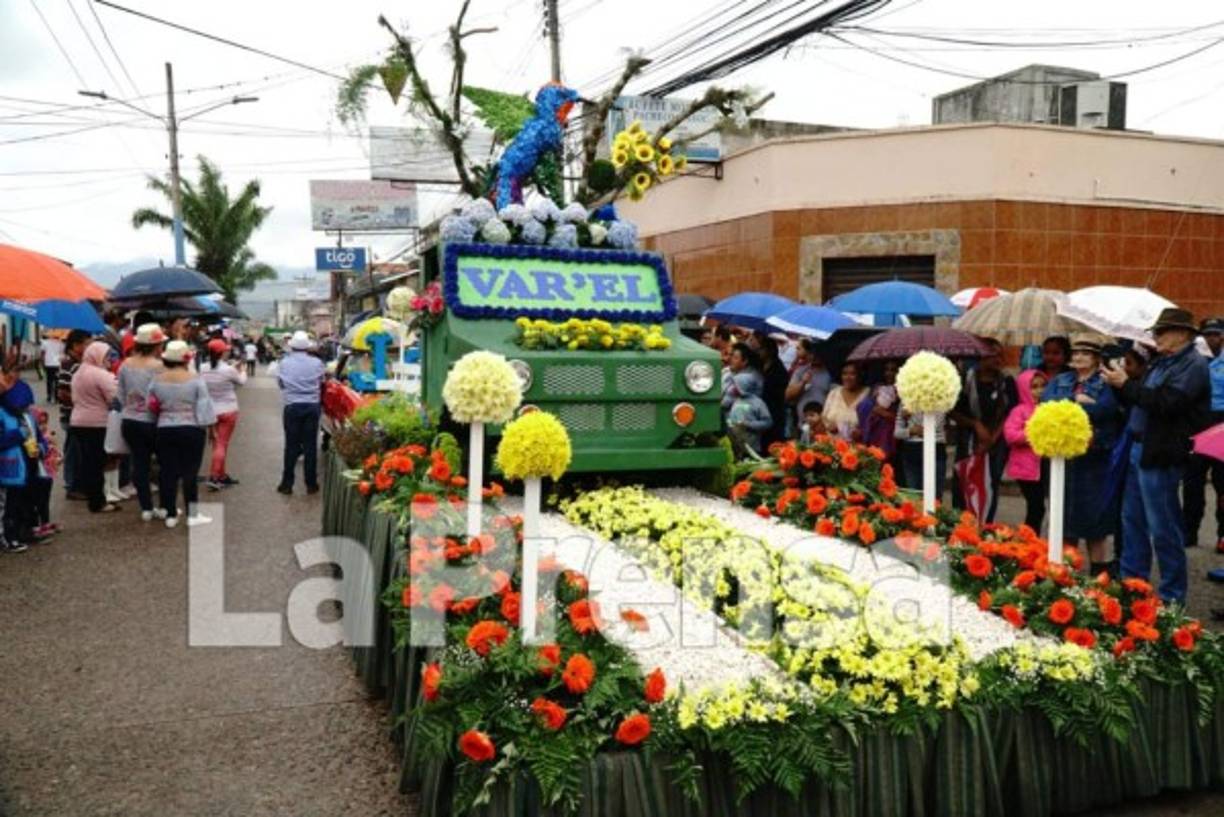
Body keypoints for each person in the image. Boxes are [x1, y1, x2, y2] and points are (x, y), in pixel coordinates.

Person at [1102, 308, 1211, 604]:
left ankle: (1172, 597)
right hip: (1140, 447)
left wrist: (1126, 384)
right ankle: (1132, 587)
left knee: (1163, 527)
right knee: (1133, 521)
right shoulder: (1161, 362)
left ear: (1183, 334)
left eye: (1162, 331)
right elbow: (1141, 400)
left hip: (1162, 453)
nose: (1156, 336)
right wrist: (1120, 383)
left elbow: (1167, 403)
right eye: (1156, 331)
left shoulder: (1193, 364)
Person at [1044, 334, 1125, 574]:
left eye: (1086, 353)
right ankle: (1065, 573)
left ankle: (1098, 574)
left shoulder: (1106, 382)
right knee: (1064, 519)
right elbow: (1047, 403)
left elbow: (1107, 410)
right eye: (1076, 353)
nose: (1079, 357)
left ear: (1097, 358)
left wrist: (1076, 407)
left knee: (1094, 522)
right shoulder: (1061, 380)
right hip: (1064, 458)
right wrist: (1076, 400)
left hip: (1094, 460)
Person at [148, 340, 217, 528]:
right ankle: (192, 515)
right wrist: (210, 428)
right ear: (186, 359)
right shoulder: (195, 379)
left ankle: (170, 514)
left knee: (167, 471)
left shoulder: (156, 380)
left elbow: (151, 405)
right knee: (190, 473)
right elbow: (204, 406)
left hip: (164, 428)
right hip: (191, 428)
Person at [949, 339, 1017, 523]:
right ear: (980, 356)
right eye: (992, 354)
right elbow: (953, 411)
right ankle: (961, 526)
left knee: (990, 484)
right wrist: (976, 425)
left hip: (996, 442)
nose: (997, 359)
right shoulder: (965, 380)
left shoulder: (1006, 382)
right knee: (963, 482)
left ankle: (985, 526)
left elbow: (1010, 414)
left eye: (1000, 355)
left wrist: (991, 438)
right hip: (968, 439)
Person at [117, 323, 167, 521]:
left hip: (130, 420)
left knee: (140, 464)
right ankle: (165, 506)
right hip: (154, 421)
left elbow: (120, 395)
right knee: (165, 464)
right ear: (156, 345)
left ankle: (146, 508)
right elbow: (163, 395)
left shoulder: (125, 364)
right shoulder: (159, 367)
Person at [1183, 317, 1224, 551]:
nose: (1212, 339)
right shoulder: (1195, 360)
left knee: (1223, 483)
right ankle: (1189, 531)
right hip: (1198, 422)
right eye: (1208, 334)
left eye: (1216, 334)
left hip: (1222, 422)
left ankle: (1223, 534)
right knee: (1192, 482)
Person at [70, 341, 119, 514]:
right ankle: (98, 501)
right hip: (97, 423)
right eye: (106, 356)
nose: (109, 359)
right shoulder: (101, 374)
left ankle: (93, 497)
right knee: (97, 463)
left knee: (87, 462)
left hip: (78, 421)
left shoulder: (78, 373)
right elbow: (114, 397)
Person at [277, 330, 326, 495]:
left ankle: (287, 484)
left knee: (291, 445)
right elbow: (322, 382)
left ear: (292, 347)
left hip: (292, 406)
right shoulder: (317, 363)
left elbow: (281, 384)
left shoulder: (284, 363)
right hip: (312, 406)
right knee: (310, 445)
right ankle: (311, 484)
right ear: (307, 347)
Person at [1004, 369, 1048, 533]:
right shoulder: (1019, 411)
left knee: (1039, 507)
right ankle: (1028, 539)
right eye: (1034, 387)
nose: (1039, 391)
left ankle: (1030, 538)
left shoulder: (1047, 408)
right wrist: (1033, 433)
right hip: (1026, 469)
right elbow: (1010, 435)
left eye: (1043, 386)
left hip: (1043, 466)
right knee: (1036, 507)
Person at [201, 337, 247, 490]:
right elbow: (241, 381)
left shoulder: (202, 368)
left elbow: (215, 372)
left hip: (211, 411)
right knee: (221, 444)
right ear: (222, 353)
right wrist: (243, 370)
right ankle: (215, 477)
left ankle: (221, 475)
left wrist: (232, 367)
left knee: (218, 444)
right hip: (228, 410)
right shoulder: (228, 370)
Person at [55, 330, 90, 498]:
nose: (89, 347)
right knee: (73, 452)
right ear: (76, 345)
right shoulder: (68, 364)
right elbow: (62, 392)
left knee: (77, 450)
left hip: (78, 414)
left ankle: (77, 484)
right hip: (71, 415)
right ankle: (72, 486)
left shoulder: (78, 363)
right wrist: (79, 402)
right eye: (86, 344)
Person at [894, 406, 948, 501]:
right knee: (914, 496)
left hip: (935, 448)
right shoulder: (905, 402)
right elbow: (897, 433)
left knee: (934, 497)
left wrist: (915, 412)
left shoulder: (940, 400)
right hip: (911, 450)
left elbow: (932, 426)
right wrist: (911, 431)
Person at [785, 340, 831, 435]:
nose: (814, 357)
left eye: (818, 354)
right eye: (812, 353)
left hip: (821, 427)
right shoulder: (800, 371)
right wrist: (803, 382)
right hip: (802, 425)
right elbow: (787, 395)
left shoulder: (830, 375)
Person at [857, 361, 900, 462]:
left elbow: (904, 418)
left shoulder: (904, 391)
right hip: (874, 433)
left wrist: (885, 413)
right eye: (887, 370)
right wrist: (873, 400)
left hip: (890, 437)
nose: (889, 373)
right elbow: (864, 408)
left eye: (893, 370)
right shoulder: (877, 387)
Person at [726, 373, 773, 457]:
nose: (733, 387)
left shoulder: (758, 403)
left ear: (743, 386)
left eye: (735, 385)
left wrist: (749, 424)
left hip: (752, 447)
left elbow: (768, 422)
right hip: (736, 445)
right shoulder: (736, 400)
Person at [822, 361, 869, 441]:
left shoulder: (868, 394)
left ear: (860, 376)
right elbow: (824, 417)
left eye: (852, 374)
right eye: (844, 374)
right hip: (831, 445)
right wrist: (829, 426)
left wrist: (862, 432)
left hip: (857, 446)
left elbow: (872, 423)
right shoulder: (834, 393)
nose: (847, 377)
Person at [757, 336, 789, 446]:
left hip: (774, 410)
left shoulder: (779, 369)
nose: (759, 351)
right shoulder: (760, 365)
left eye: (762, 349)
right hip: (760, 409)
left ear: (769, 350)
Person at [721, 342, 762, 418]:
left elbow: (725, 403)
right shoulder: (730, 371)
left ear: (745, 361)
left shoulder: (748, 378)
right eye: (731, 356)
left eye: (735, 358)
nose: (730, 359)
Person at [40, 332, 64, 404]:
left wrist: (42, 362)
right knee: (57, 381)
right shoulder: (61, 343)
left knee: (49, 380)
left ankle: (49, 396)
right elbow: (62, 354)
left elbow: (42, 354)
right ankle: (56, 397)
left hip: (48, 364)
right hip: (57, 364)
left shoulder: (45, 343)